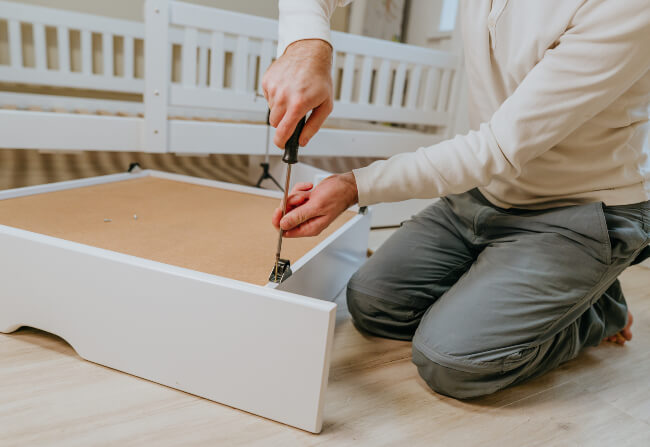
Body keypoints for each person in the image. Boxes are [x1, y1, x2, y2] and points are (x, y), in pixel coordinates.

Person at [263, 0, 650, 399]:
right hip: (485, 194)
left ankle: (597, 311)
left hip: (576, 213)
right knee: (372, 303)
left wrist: (353, 186)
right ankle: (529, 292)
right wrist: (305, 45)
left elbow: (495, 148)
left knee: (451, 362)